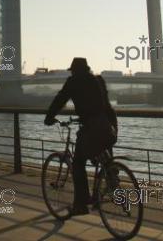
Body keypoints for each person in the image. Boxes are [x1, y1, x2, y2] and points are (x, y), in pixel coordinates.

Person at [44, 58, 117, 215]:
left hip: (91, 128)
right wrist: (114, 129)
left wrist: (49, 117)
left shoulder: (74, 81)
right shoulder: (96, 80)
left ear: (74, 71)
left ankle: (81, 205)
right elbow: (106, 106)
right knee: (99, 151)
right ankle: (111, 177)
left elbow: (60, 98)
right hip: (106, 126)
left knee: (77, 163)